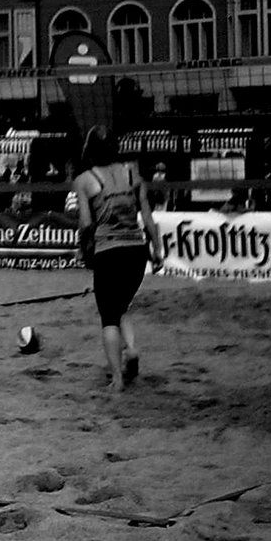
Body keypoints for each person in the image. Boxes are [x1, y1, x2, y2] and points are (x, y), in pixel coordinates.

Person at [71, 126, 163, 394]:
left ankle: (117, 379)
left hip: (108, 251)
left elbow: (86, 223)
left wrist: (82, 248)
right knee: (121, 305)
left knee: (108, 317)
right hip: (136, 251)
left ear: (89, 150)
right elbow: (147, 217)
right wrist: (157, 250)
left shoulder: (84, 180)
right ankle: (132, 350)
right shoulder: (133, 172)